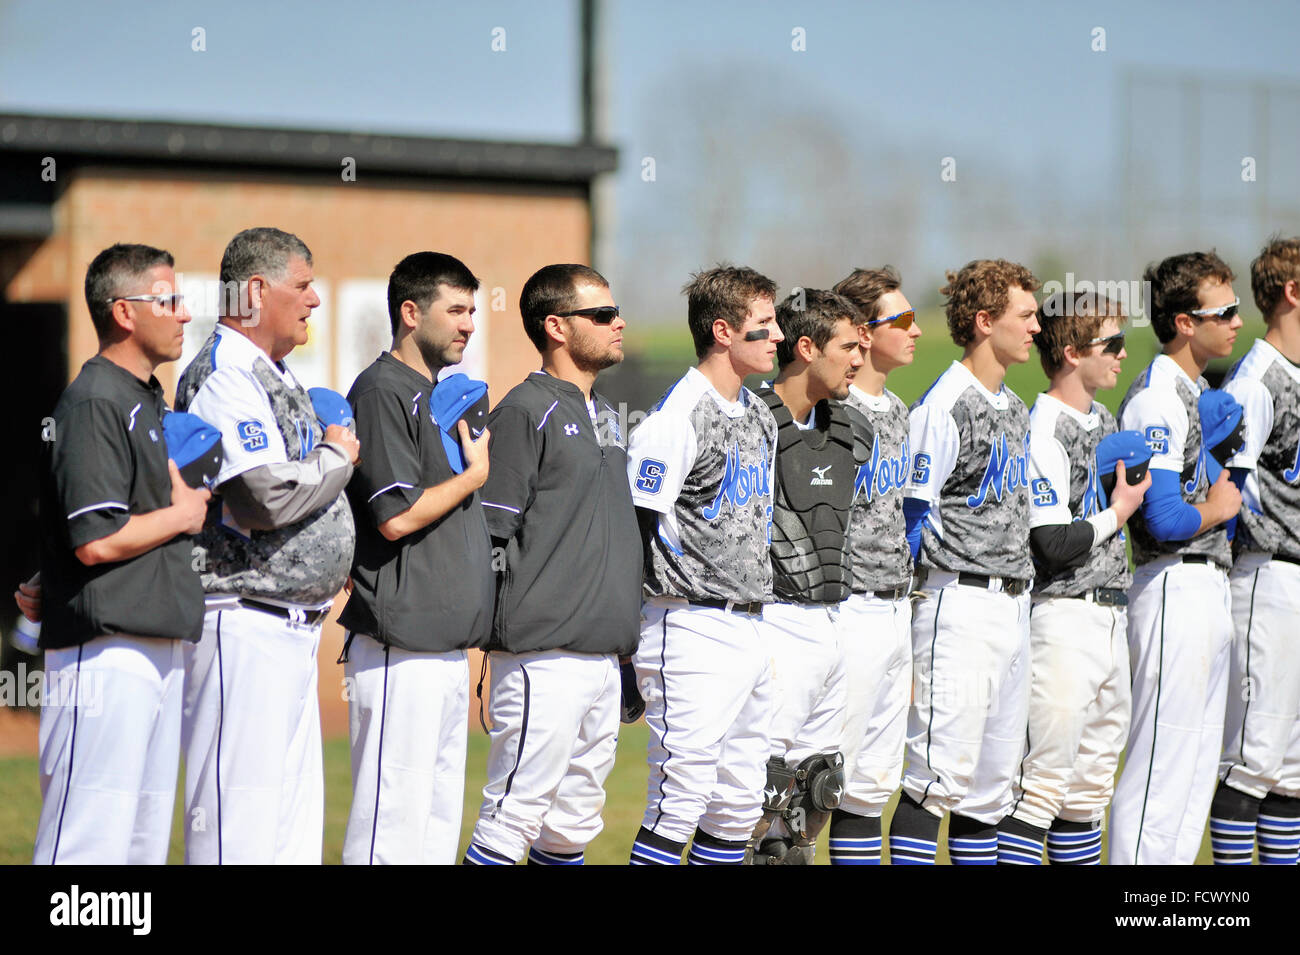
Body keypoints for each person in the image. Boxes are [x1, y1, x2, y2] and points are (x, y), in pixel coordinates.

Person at [175, 227, 359, 864]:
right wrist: (337, 456)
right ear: (256, 290)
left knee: (290, 836)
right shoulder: (223, 374)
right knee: (238, 832)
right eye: (303, 285)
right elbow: (261, 497)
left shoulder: (267, 373)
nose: (314, 300)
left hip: (288, 630)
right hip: (242, 624)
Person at [462, 264, 642, 866]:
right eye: (602, 315)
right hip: (542, 656)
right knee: (513, 816)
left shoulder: (608, 415)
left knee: (570, 830)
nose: (618, 324)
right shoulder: (525, 408)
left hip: (600, 658)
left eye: (615, 312)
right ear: (556, 327)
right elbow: (489, 532)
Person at [34, 243, 209, 863]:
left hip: (156, 644)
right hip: (105, 655)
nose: (186, 313)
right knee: (86, 840)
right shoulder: (95, 400)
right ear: (124, 313)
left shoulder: (146, 398)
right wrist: (184, 515)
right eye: (169, 299)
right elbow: (96, 538)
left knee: (138, 846)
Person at [338, 252, 494, 864]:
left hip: (445, 651)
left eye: (473, 311)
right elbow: (396, 515)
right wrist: (474, 474)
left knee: (432, 832)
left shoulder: (433, 394)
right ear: (410, 312)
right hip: (399, 651)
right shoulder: (381, 391)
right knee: (389, 831)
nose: (469, 325)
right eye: (455, 310)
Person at [624, 265, 782, 865]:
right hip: (686, 623)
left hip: (749, 625)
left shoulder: (758, 414)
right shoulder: (676, 416)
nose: (776, 337)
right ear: (722, 331)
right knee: (680, 798)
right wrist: (623, 642)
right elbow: (636, 526)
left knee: (739, 806)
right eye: (762, 326)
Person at [892, 259, 1040, 865]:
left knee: (991, 790)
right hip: (958, 603)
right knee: (936, 779)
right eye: (1024, 314)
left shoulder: (1013, 404)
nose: (1036, 326)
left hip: (1013, 603)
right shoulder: (946, 403)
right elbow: (910, 516)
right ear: (985, 321)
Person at [1003, 290, 1151, 865]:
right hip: (1063, 618)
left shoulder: (1105, 418)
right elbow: (1052, 542)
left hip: (1112, 614)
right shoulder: (1042, 427)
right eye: (1109, 344)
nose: (1120, 354)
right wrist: (1120, 510)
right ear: (1070, 352)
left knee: (1089, 794)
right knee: (1042, 788)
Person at [1110, 250, 1244, 865]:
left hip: (1205, 587)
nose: (1238, 321)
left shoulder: (1192, 390)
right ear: (1185, 322)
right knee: (1160, 767)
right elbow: (1162, 519)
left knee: (1192, 775)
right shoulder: (1157, 394)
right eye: (1225, 310)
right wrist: (1219, 508)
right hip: (1172, 584)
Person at [748, 288, 867, 864]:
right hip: (775, 625)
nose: (858, 359)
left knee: (818, 790)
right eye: (847, 346)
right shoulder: (753, 423)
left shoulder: (851, 430)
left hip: (835, 621)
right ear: (805, 347)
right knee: (759, 796)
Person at [1210, 235, 1300, 865]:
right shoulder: (1258, 379)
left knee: (1292, 771)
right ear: (1293, 292)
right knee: (1250, 760)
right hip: (1266, 580)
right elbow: (1227, 489)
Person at [830, 266, 922, 865]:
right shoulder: (832, 410)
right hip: (847, 607)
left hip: (894, 608)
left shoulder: (898, 410)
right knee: (820, 778)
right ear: (863, 333)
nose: (916, 331)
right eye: (903, 320)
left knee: (872, 788)